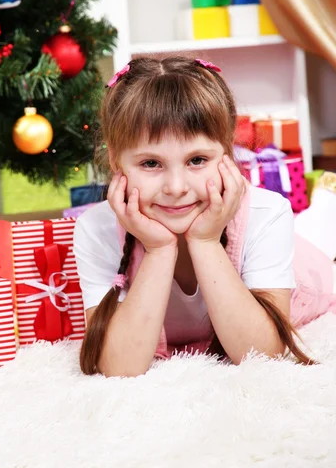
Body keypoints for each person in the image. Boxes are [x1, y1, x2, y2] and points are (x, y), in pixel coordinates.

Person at [74, 56, 336, 377]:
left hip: (309, 270)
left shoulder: (266, 212)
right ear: (115, 161)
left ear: (227, 154)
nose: (176, 187)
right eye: (151, 164)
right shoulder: (95, 228)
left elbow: (263, 354)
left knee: (323, 244)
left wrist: (206, 241)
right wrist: (158, 250)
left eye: (197, 159)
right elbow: (118, 366)